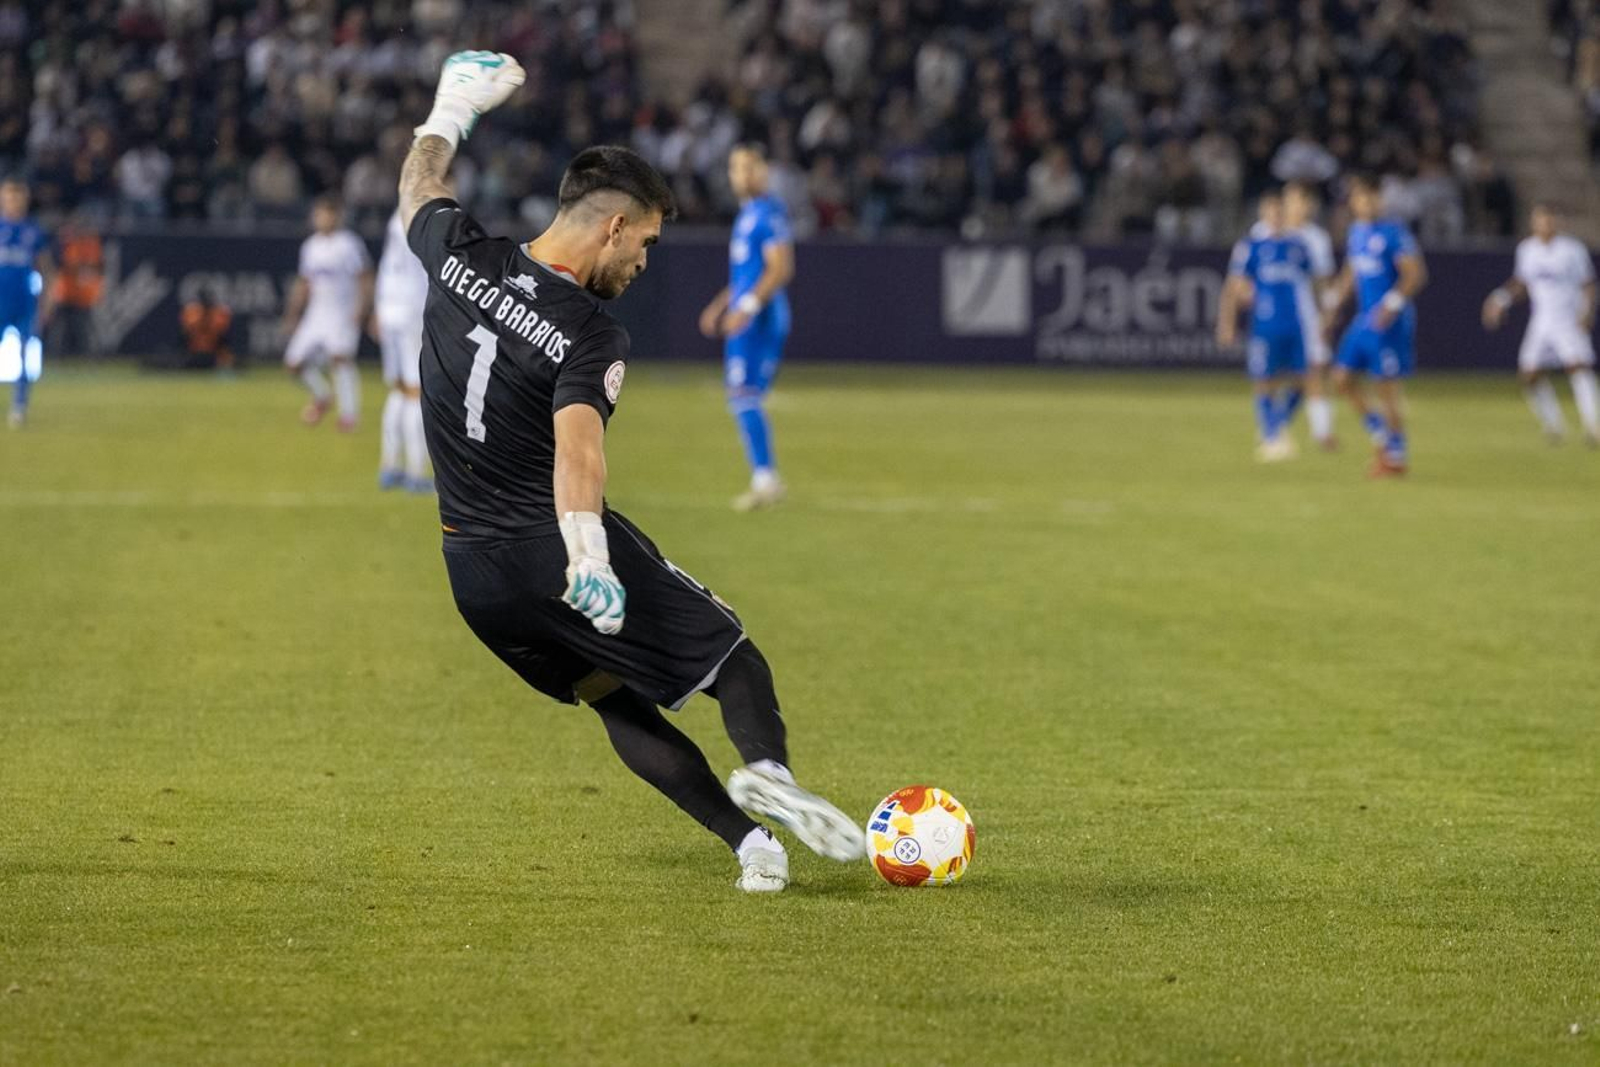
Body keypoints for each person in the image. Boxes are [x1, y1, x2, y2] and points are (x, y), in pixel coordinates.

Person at [398, 51, 863, 893]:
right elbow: (578, 450)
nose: (644, 262)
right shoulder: (586, 330)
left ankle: (753, 848)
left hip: (470, 571)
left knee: (614, 694)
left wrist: (451, 111)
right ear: (613, 227)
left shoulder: (459, 253)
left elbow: (418, 188)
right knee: (735, 659)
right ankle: (773, 776)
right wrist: (587, 557)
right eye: (645, 242)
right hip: (549, 548)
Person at [697, 144, 795, 511]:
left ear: (764, 172)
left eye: (750, 167)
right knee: (745, 396)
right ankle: (765, 478)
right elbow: (746, 275)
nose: (742, 175)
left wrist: (747, 308)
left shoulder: (768, 214)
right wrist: (720, 305)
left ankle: (765, 480)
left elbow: (780, 269)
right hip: (749, 315)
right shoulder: (748, 215)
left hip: (760, 319)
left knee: (743, 396)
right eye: (736, 168)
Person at [1323, 174, 1428, 478]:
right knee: (1341, 379)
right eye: (1361, 197)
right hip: (1364, 320)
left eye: (1372, 197)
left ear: (1380, 200)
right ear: (1353, 202)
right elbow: (1351, 274)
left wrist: (1392, 304)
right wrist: (1332, 307)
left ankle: (1396, 455)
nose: (1367, 203)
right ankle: (1382, 435)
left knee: (1386, 389)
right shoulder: (1357, 232)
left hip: (1390, 321)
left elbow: (1415, 274)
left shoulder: (1394, 233)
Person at [1482, 204, 1600, 446]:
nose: (1544, 224)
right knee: (1529, 375)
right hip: (1542, 321)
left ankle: (1593, 425)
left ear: (1556, 221)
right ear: (1533, 223)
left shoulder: (1571, 250)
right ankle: (1554, 425)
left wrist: (1587, 313)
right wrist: (1500, 299)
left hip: (1568, 319)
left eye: (1548, 219)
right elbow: (1522, 282)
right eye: (1540, 220)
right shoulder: (1527, 250)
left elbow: (1588, 284)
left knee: (1578, 367)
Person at [1217, 191, 1316, 461]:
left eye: (1279, 212)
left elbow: (1312, 283)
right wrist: (1228, 321)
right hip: (1264, 325)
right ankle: (1272, 436)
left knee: (1304, 381)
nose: (1275, 217)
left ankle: (1276, 424)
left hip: (1295, 324)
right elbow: (1234, 285)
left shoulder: (1299, 246)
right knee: (1264, 381)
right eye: (1270, 212)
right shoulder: (1252, 247)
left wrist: (1321, 315)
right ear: (1262, 215)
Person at [281, 196, 372, 431]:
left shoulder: (349, 244)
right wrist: (293, 314)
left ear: (337, 216)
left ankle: (349, 416)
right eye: (318, 214)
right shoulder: (311, 246)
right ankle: (322, 395)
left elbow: (364, 277)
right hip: (316, 314)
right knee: (294, 364)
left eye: (326, 214)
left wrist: (362, 309)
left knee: (340, 361)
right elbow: (304, 282)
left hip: (342, 313)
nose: (320, 219)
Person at [373, 208, 434, 491]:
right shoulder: (428, 215)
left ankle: (389, 466)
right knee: (415, 391)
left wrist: (377, 309)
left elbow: (386, 265)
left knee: (398, 389)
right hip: (411, 308)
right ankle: (417, 472)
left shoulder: (395, 215)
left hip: (389, 309)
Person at [1283, 182, 1338, 449]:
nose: (1297, 207)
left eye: (1301, 202)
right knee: (1293, 375)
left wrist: (1328, 312)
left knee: (1314, 371)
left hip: (1308, 316)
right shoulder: (1266, 232)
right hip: (1278, 316)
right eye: (1291, 201)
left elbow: (1324, 281)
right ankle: (1276, 424)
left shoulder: (1316, 239)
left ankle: (1322, 432)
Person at [0, 177, 54, 429]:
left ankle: (19, 407)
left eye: (17, 196)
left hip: (24, 303)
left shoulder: (34, 231)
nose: (13, 202)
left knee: (25, 355)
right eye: (9, 196)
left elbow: (45, 269)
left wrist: (47, 302)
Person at [49, 212, 102, 360]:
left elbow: (95, 267)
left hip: (83, 294)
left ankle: (85, 356)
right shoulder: (67, 243)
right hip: (66, 291)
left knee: (83, 328)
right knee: (59, 327)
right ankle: (55, 356)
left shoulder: (91, 244)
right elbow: (58, 262)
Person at [179, 286, 234, 370]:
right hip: (194, 353)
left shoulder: (219, 313)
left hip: (213, 355)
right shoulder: (192, 312)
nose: (206, 304)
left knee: (225, 352)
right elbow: (186, 334)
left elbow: (223, 338)